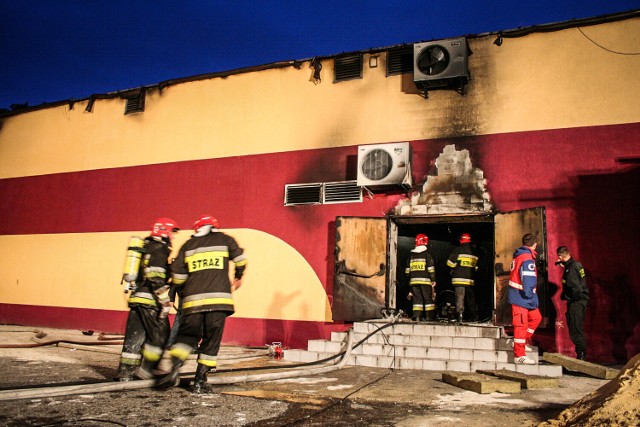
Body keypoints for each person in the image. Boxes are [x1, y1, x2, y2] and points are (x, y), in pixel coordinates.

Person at [157, 214, 247, 393]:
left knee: (187, 336)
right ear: (214, 226)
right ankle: (200, 380)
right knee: (211, 340)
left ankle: (174, 368)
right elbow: (240, 259)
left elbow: (179, 276)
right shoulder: (225, 239)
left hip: (193, 303)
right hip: (219, 301)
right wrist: (238, 276)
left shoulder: (188, 245)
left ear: (197, 228)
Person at [116, 217, 180, 381]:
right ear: (164, 232)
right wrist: (164, 300)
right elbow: (155, 275)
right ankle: (147, 370)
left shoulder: (146, 247)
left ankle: (125, 373)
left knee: (134, 337)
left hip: (137, 299)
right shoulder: (159, 249)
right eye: (172, 233)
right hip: (150, 301)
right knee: (161, 335)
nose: (173, 237)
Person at [508, 233, 542, 365]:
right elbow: (528, 279)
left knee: (536, 318)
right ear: (535, 245)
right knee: (521, 325)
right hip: (522, 297)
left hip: (521, 296)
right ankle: (519, 355)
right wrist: (529, 296)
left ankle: (519, 341)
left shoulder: (520, 255)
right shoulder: (527, 258)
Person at [556, 246, 589, 360]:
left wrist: (566, 296)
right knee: (577, 326)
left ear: (561, 256)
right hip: (580, 300)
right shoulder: (575, 265)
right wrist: (563, 265)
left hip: (576, 301)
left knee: (575, 327)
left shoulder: (570, 269)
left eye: (559, 257)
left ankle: (581, 355)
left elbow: (575, 287)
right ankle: (581, 353)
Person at [446, 233, 478, 323]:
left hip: (459, 279)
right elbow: (476, 267)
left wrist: (455, 266)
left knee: (460, 297)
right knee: (470, 298)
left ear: (461, 240)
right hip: (470, 280)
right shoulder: (473, 252)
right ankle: (473, 317)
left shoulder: (458, 250)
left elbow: (449, 263)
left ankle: (460, 316)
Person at [406, 234, 437, 322]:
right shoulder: (427, 255)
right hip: (425, 281)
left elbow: (407, 271)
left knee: (417, 299)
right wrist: (433, 280)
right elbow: (431, 270)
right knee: (428, 299)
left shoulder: (411, 256)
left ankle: (417, 317)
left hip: (414, 282)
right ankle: (429, 317)